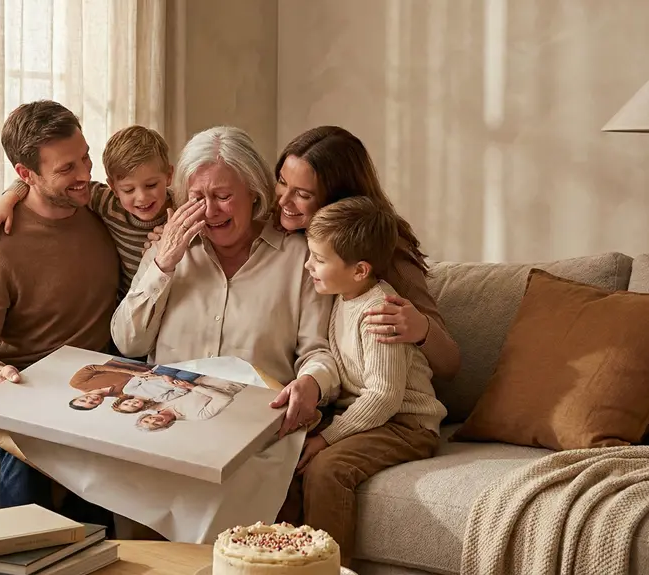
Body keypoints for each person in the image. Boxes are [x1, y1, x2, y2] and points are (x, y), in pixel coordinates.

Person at [143, 126, 461, 380]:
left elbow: (449, 362)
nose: (282, 201)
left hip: (374, 398)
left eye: (303, 194)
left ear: (336, 201)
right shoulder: (278, 224)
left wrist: (420, 328)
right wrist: (163, 247)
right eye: (282, 182)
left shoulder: (386, 253)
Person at [111, 126, 339, 438]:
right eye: (197, 198)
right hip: (164, 428)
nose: (210, 210)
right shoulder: (164, 249)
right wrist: (163, 265)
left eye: (223, 196)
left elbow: (317, 351)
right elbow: (128, 343)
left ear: (254, 191)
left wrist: (311, 382)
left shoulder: (301, 258)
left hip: (254, 429)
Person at [0, 99, 118, 529]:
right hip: (20, 384)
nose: (85, 174)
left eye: (85, 157)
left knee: (107, 456)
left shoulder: (103, 208)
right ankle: (20, 553)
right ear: (26, 174)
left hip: (92, 380)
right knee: (25, 455)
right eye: (67, 168)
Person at [278, 196, 447, 567]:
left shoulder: (379, 311)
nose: (308, 265)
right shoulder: (344, 297)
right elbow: (345, 373)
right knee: (282, 452)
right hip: (372, 417)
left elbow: (383, 396)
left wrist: (328, 437)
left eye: (318, 259)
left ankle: (328, 570)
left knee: (327, 469)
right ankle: (281, 563)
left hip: (406, 424)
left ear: (359, 270)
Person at [0, 125, 175, 298]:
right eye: (128, 190)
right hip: (128, 310)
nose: (142, 198)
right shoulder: (108, 202)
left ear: (168, 176)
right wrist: (7, 199)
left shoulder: (180, 209)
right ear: (113, 187)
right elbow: (36, 179)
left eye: (151, 185)